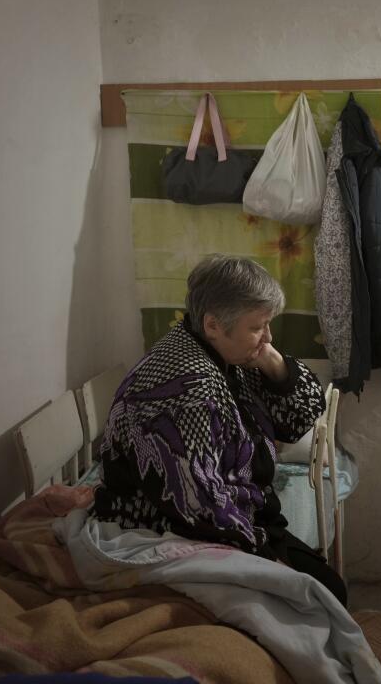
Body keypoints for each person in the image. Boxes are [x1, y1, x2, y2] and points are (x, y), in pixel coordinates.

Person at [93, 255, 345, 604]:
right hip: (165, 528)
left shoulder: (224, 353)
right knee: (319, 598)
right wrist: (265, 556)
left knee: (328, 592)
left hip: (244, 516)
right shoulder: (190, 389)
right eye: (258, 327)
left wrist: (273, 363)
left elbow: (298, 420)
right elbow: (199, 505)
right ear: (213, 324)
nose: (268, 336)